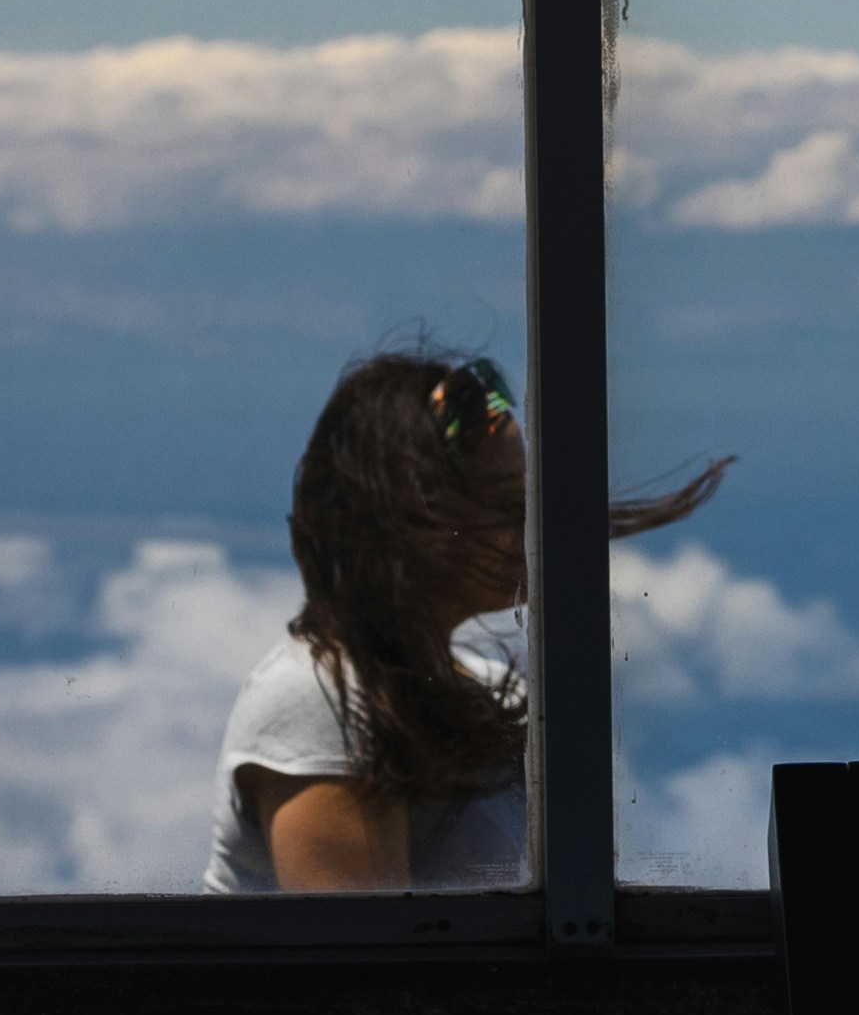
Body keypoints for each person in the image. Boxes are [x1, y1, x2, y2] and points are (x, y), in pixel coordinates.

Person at [203, 345, 725, 892]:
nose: (531, 525)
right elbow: (369, 963)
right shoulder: (322, 699)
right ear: (404, 519)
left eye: (530, 496)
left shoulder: (485, 688)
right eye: (503, 502)